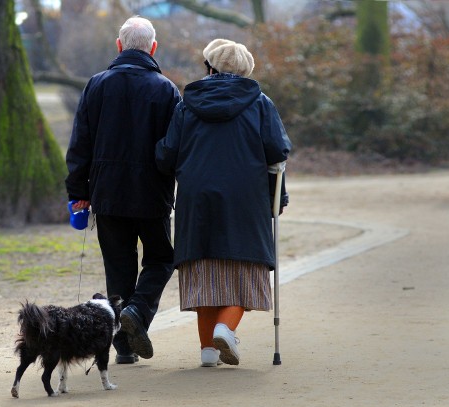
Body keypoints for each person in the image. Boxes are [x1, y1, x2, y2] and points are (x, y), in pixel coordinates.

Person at [155, 39, 292, 367]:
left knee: (203, 273)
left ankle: (207, 351)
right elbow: (277, 153)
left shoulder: (186, 104)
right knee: (245, 268)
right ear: (246, 70)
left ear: (209, 67)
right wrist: (280, 197)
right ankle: (225, 329)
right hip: (245, 198)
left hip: (196, 197)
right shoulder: (260, 103)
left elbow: (166, 154)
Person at [65, 16, 181, 364]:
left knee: (118, 266)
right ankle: (138, 311)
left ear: (119, 46)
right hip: (152, 193)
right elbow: (172, 149)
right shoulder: (166, 89)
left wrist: (77, 192)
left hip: (107, 193)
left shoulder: (96, 85)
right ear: (153, 48)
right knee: (162, 258)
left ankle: (124, 348)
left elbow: (80, 145)